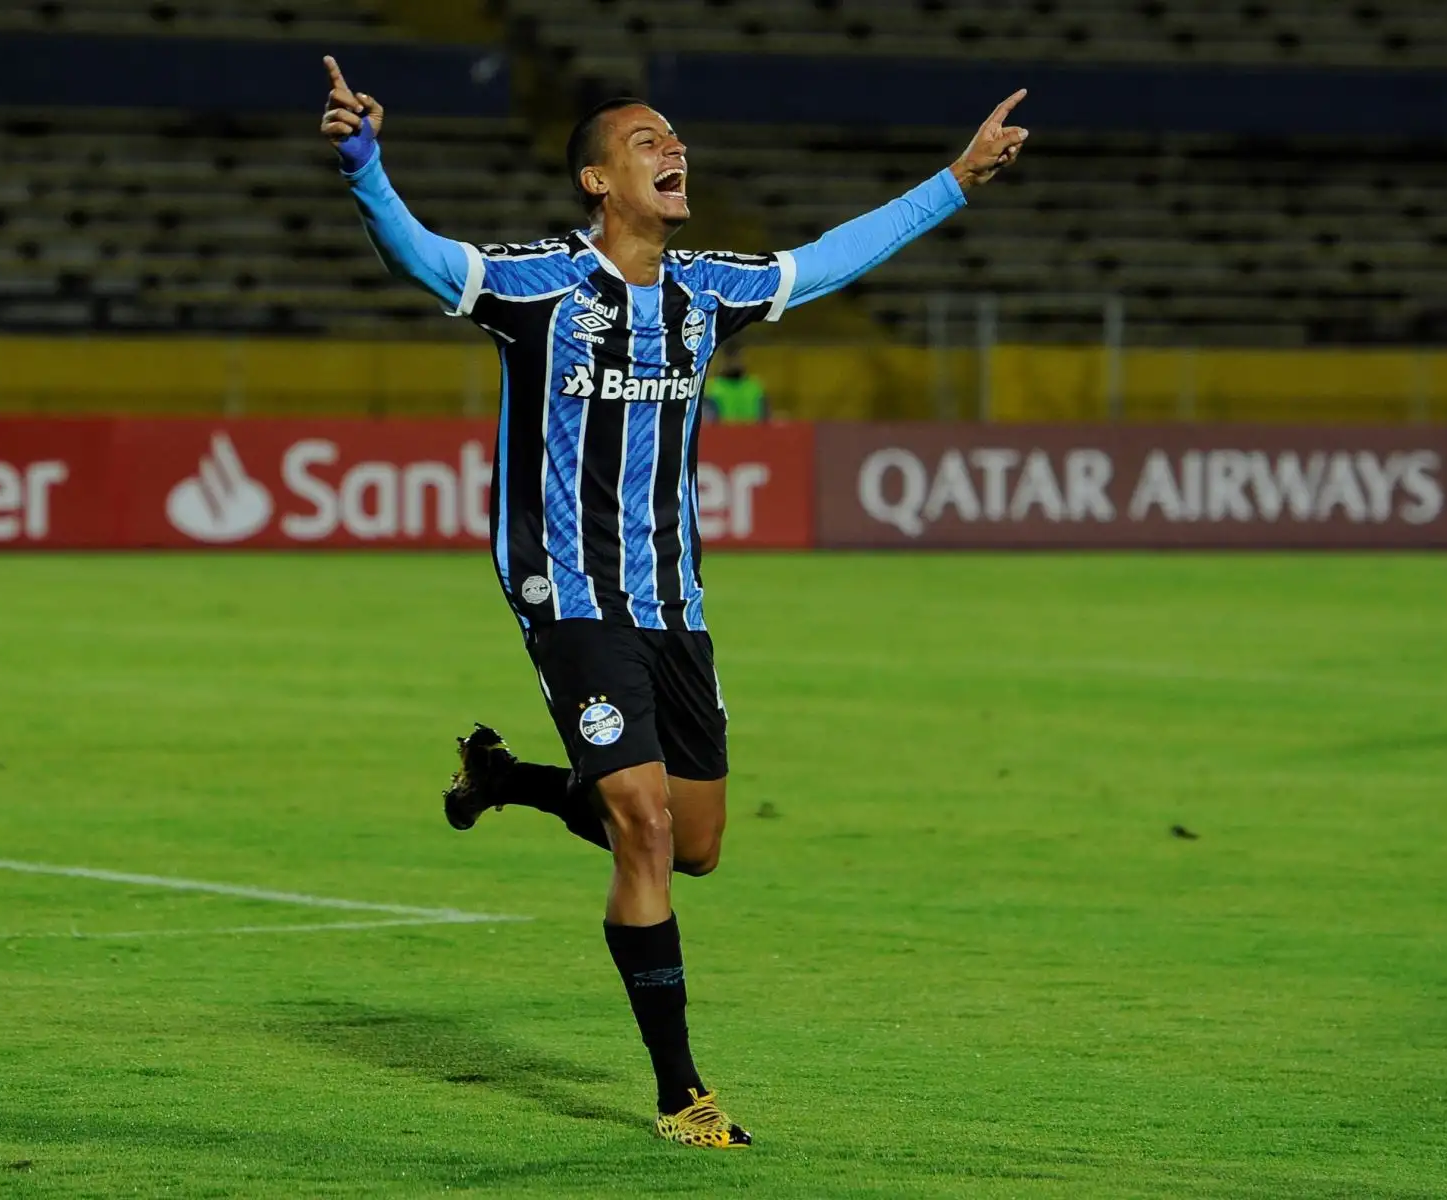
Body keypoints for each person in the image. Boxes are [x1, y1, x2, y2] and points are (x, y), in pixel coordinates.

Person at [320, 55, 1028, 1148]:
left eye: (674, 138)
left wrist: (955, 181)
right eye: (647, 141)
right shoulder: (537, 285)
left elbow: (828, 261)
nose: (673, 150)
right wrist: (368, 167)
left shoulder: (707, 293)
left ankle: (506, 779)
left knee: (693, 842)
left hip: (672, 599)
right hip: (569, 590)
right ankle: (681, 1094)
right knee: (643, 827)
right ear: (598, 181)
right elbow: (424, 258)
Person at [703, 344, 768, 423]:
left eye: (737, 358)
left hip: (753, 434)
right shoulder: (710, 388)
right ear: (722, 361)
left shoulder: (755, 386)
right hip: (722, 434)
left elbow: (765, 419)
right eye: (730, 358)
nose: (734, 363)